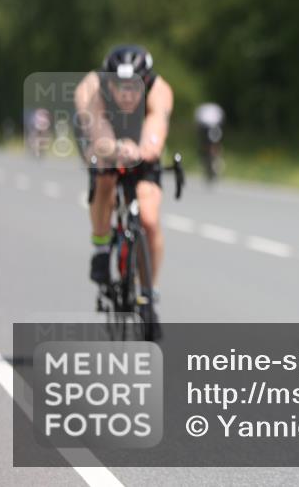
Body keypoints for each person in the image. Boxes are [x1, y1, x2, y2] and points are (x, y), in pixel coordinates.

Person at [73, 45, 174, 326]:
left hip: (140, 145)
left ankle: (149, 292)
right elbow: (98, 133)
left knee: (150, 219)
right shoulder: (91, 88)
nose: (128, 94)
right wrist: (115, 147)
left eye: (134, 87)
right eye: (121, 87)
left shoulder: (159, 89)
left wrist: (143, 150)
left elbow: (156, 129)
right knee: (104, 176)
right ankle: (102, 248)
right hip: (104, 139)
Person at [194, 102, 225, 182]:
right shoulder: (213, 111)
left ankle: (215, 160)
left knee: (213, 145)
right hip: (209, 128)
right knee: (209, 145)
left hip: (210, 128)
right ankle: (212, 160)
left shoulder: (204, 111)